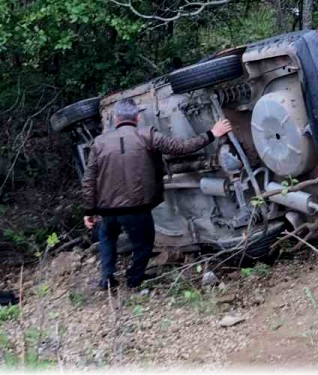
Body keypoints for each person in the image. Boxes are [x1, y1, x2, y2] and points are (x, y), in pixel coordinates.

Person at [81, 99, 232, 290]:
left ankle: (107, 278)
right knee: (143, 245)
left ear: (117, 119)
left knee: (107, 238)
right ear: (137, 117)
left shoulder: (100, 142)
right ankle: (134, 280)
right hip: (137, 208)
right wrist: (212, 134)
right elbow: (180, 148)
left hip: (107, 210)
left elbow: (89, 179)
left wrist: (89, 210)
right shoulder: (147, 135)